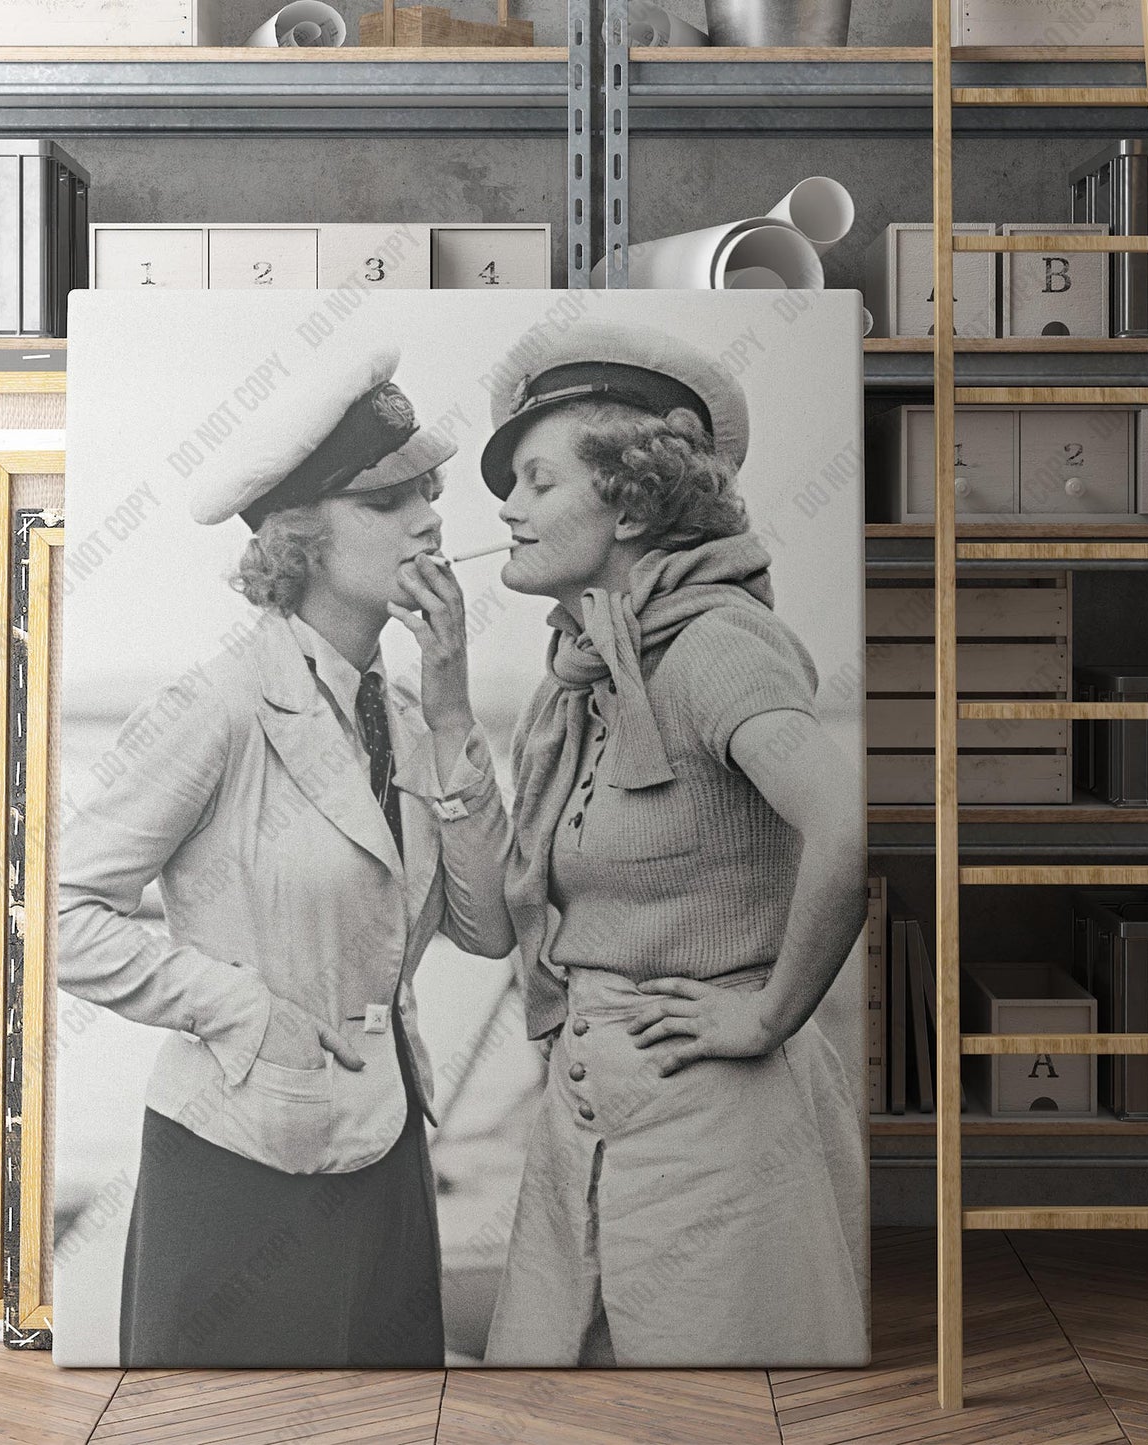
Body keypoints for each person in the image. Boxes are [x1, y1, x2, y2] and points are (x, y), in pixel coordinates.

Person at [58, 347, 514, 1368]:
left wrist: (448, 706)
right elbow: (59, 912)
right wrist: (240, 1006)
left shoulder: (408, 713)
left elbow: (489, 928)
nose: (432, 520)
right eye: (392, 499)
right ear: (300, 537)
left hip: (387, 1153)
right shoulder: (214, 705)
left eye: (429, 492)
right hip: (239, 1163)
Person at [479, 321, 869, 1367]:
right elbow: (498, 909)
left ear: (634, 502)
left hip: (718, 1131)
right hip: (586, 1123)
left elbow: (844, 821)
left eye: (534, 481)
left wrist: (765, 1013)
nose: (505, 510)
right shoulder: (591, 674)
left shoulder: (711, 645)